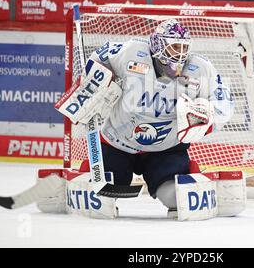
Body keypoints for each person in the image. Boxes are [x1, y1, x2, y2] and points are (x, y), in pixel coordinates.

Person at [57, 19, 234, 217]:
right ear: (158, 45)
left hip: (166, 149)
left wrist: (208, 117)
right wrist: (95, 81)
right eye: (175, 47)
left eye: (185, 48)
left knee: (175, 197)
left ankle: (194, 178)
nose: (181, 54)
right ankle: (83, 176)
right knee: (98, 198)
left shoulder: (200, 68)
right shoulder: (131, 52)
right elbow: (99, 56)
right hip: (117, 142)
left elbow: (224, 101)